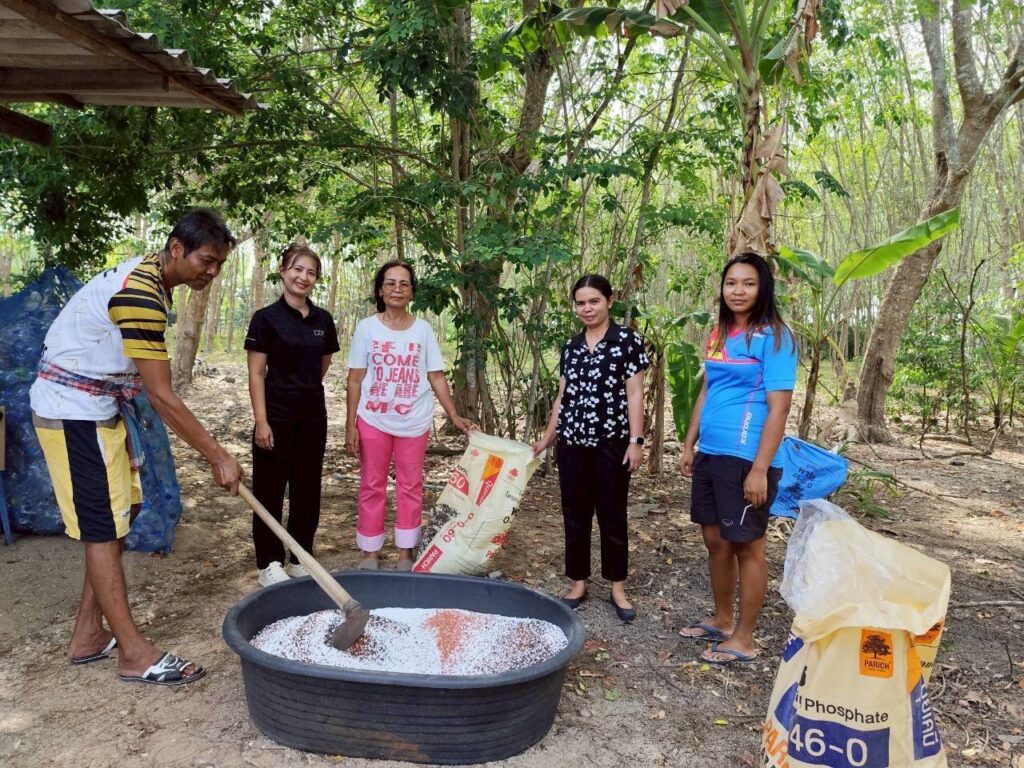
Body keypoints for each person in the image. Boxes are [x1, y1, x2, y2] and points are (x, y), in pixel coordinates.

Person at [29, 208, 243, 686]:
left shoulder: (153, 281)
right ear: (176, 248)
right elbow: (162, 396)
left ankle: (88, 633)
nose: (212, 272)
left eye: (219, 264)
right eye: (207, 261)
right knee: (103, 529)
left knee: (123, 513)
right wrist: (217, 455)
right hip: (73, 410)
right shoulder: (142, 294)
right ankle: (133, 653)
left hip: (98, 405)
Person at [676, 253, 796, 665]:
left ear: (763, 289)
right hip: (711, 453)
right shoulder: (718, 334)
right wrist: (689, 444)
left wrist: (760, 469)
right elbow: (707, 390)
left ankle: (744, 638)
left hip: (747, 457)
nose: (738, 291)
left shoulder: (776, 338)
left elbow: (779, 408)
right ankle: (723, 620)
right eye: (731, 283)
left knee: (747, 546)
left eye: (748, 283)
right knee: (715, 541)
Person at [532, 275, 649, 624]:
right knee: (575, 513)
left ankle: (617, 587)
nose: (587, 308)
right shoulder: (571, 346)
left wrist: (636, 441)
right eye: (581, 303)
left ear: (610, 301)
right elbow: (562, 396)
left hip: (612, 443)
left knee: (612, 515)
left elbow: (635, 394)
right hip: (572, 443)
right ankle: (578, 583)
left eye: (594, 301)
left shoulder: (627, 341)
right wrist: (548, 437)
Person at [345, 261, 472, 570]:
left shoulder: (423, 330)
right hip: (373, 419)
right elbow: (355, 379)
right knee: (372, 484)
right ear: (380, 290)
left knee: (411, 485)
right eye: (390, 283)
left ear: (412, 292)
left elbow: (436, 376)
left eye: (404, 283)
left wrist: (454, 414)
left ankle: (406, 552)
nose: (397, 289)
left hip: (414, 421)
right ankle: (370, 553)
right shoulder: (366, 328)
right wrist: (351, 425)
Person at [245, 243, 339, 587]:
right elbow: (256, 373)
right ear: (283, 270)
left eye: (311, 272)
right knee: (270, 490)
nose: (303, 277)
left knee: (307, 490)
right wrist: (262, 421)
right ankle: (269, 562)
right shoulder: (265, 318)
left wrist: (303, 387)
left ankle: (301, 557)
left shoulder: (323, 320)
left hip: (313, 418)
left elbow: (322, 365)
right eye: (297, 269)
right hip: (275, 417)